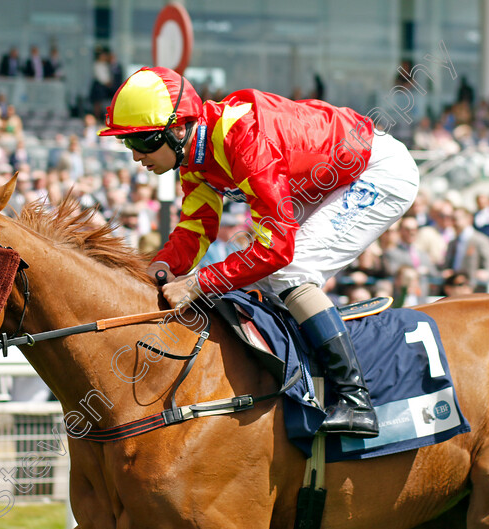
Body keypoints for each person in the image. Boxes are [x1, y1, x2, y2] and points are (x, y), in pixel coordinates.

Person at [98, 67, 421, 438]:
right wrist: (160, 266)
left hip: (375, 170)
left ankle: (355, 399)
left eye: (142, 142)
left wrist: (198, 283)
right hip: (323, 181)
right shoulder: (194, 155)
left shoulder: (244, 138)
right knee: (261, 274)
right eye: (127, 144)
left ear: (176, 130)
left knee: (288, 269)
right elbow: (197, 226)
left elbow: (277, 250)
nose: (136, 156)